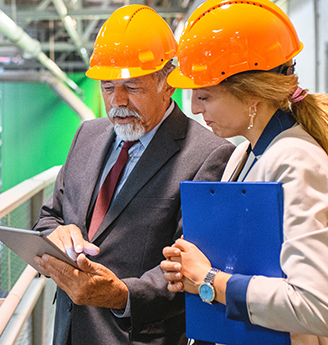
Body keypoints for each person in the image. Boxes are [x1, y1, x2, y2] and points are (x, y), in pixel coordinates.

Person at [32, 4, 235, 345]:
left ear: (168, 84)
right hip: (69, 331)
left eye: (132, 87)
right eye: (108, 88)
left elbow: (191, 267)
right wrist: (57, 236)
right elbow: (50, 216)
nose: (117, 102)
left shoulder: (208, 155)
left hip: (135, 335)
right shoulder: (87, 135)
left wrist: (121, 295)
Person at [160, 1, 328, 344]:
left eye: (204, 96)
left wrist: (210, 280)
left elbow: (319, 308)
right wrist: (190, 269)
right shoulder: (242, 155)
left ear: (250, 93)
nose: (193, 108)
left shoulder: (297, 160)